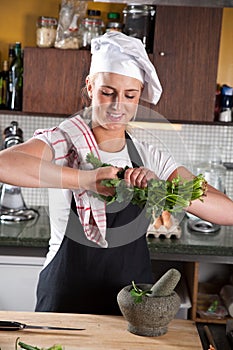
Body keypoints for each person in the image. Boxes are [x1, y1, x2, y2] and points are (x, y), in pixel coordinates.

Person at [0, 31, 233, 314]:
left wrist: (161, 189)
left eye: (130, 95)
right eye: (107, 92)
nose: (117, 105)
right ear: (89, 87)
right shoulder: (62, 141)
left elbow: (226, 212)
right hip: (66, 293)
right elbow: (5, 164)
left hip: (132, 301)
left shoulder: (149, 153)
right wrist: (86, 179)